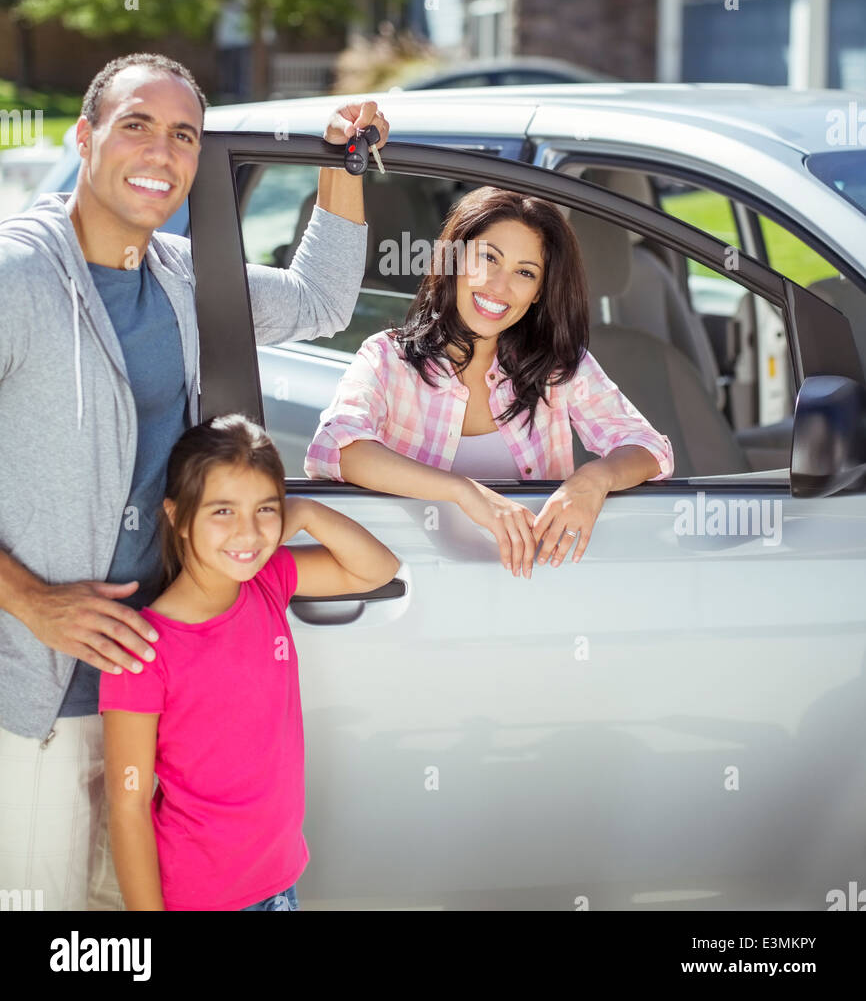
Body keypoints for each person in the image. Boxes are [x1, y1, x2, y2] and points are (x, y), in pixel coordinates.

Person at [0, 52, 389, 911]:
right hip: (39, 696)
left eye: (184, 134)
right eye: (135, 123)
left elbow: (321, 302)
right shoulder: (18, 277)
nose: (161, 151)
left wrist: (346, 161)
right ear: (84, 135)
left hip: (158, 694)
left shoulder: (178, 277)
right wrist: (29, 598)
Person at [99, 413, 399, 912]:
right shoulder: (143, 650)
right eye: (222, 512)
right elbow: (127, 804)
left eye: (264, 509)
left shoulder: (267, 582)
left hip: (280, 883)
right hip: (200, 899)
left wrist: (302, 513)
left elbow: (377, 569)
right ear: (177, 516)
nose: (248, 532)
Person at [305, 187, 674, 577]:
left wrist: (592, 480)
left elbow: (649, 448)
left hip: (534, 588)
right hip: (416, 588)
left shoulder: (557, 366)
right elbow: (337, 448)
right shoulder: (387, 359)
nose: (499, 286)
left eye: (525, 272)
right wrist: (464, 492)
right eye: (488, 259)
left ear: (537, 294)